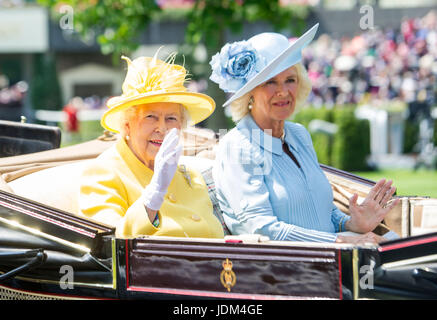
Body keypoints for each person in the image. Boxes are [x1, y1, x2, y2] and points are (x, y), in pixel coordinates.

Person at [209, 24, 399, 244]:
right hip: (284, 270)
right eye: (270, 82)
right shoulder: (238, 146)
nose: (283, 91)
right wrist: (339, 242)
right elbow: (261, 230)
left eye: (290, 80)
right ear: (249, 94)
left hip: (330, 257)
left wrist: (349, 224)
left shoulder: (298, 135)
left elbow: (321, 212)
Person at [78, 52, 224, 239]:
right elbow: (110, 243)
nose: (162, 128)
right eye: (150, 117)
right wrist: (152, 197)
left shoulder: (190, 175)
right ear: (126, 124)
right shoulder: (103, 172)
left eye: (171, 118)